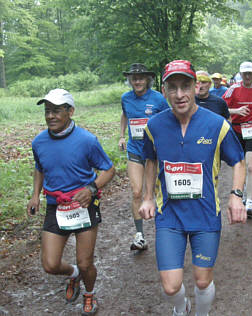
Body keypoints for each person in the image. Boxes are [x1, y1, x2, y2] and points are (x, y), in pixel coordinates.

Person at [139, 60, 246, 316]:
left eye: (185, 86)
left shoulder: (217, 125)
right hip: (170, 216)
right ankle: (181, 307)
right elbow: (150, 159)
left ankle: (201, 313)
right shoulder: (154, 126)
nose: (179, 94)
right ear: (164, 90)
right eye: (172, 87)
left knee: (201, 280)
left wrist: (236, 195)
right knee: (170, 286)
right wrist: (147, 197)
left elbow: (238, 161)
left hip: (206, 215)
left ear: (194, 87)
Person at [27, 89, 115, 315]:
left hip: (84, 205)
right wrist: (35, 195)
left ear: (70, 111)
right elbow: (40, 169)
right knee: (50, 265)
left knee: (86, 262)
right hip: (56, 206)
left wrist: (91, 188)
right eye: (47, 111)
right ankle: (73, 273)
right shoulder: (39, 142)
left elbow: (108, 169)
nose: (50, 116)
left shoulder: (87, 140)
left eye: (56, 111)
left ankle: (89, 294)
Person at [119, 63, 170, 250]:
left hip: (154, 155)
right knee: (136, 192)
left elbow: (168, 120)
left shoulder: (158, 99)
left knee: (156, 192)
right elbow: (125, 115)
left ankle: (164, 230)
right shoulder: (125, 98)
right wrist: (121, 136)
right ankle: (139, 235)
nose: (137, 81)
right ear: (130, 80)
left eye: (141, 78)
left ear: (147, 80)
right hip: (134, 150)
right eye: (134, 78)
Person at [223, 61, 252, 218]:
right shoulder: (233, 89)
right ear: (240, 74)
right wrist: (236, 110)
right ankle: (239, 194)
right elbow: (222, 108)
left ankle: (250, 201)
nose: (247, 76)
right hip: (237, 130)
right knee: (239, 165)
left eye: (250, 73)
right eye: (245, 73)